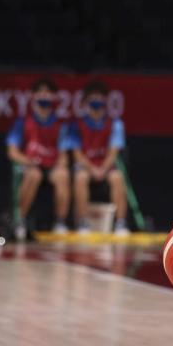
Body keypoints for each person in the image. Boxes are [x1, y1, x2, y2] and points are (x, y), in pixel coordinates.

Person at [6, 78, 73, 239]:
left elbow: (63, 155)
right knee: (34, 175)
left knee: (62, 175)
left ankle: (60, 222)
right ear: (33, 96)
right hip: (30, 164)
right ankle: (19, 220)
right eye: (40, 92)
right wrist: (27, 161)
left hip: (51, 164)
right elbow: (12, 152)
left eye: (47, 92)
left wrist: (60, 165)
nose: (44, 95)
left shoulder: (60, 124)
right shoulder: (22, 122)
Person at [70, 80, 130, 236]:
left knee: (117, 178)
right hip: (86, 166)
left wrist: (102, 169)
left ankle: (120, 223)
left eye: (99, 99)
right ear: (85, 103)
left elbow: (113, 151)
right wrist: (92, 169)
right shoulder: (76, 125)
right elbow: (77, 154)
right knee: (80, 177)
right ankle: (82, 222)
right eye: (92, 99)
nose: (96, 103)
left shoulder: (115, 124)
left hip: (105, 165)